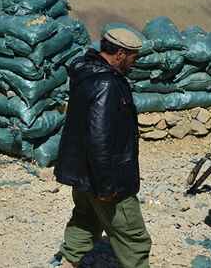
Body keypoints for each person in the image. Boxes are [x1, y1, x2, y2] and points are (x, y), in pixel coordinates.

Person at [54, 28, 151, 268]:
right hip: (105, 176)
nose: (134, 62)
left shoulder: (86, 72)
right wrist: (107, 185)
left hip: (83, 172)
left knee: (86, 219)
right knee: (133, 236)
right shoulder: (107, 83)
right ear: (120, 53)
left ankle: (68, 262)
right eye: (133, 57)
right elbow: (99, 137)